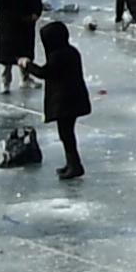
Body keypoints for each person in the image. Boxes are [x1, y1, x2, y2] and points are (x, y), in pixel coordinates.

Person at [37, 20, 93, 180]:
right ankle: (72, 164)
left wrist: (27, 65)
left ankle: (75, 165)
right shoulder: (70, 51)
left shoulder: (58, 56)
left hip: (66, 102)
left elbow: (44, 73)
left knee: (66, 134)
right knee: (67, 134)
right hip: (73, 99)